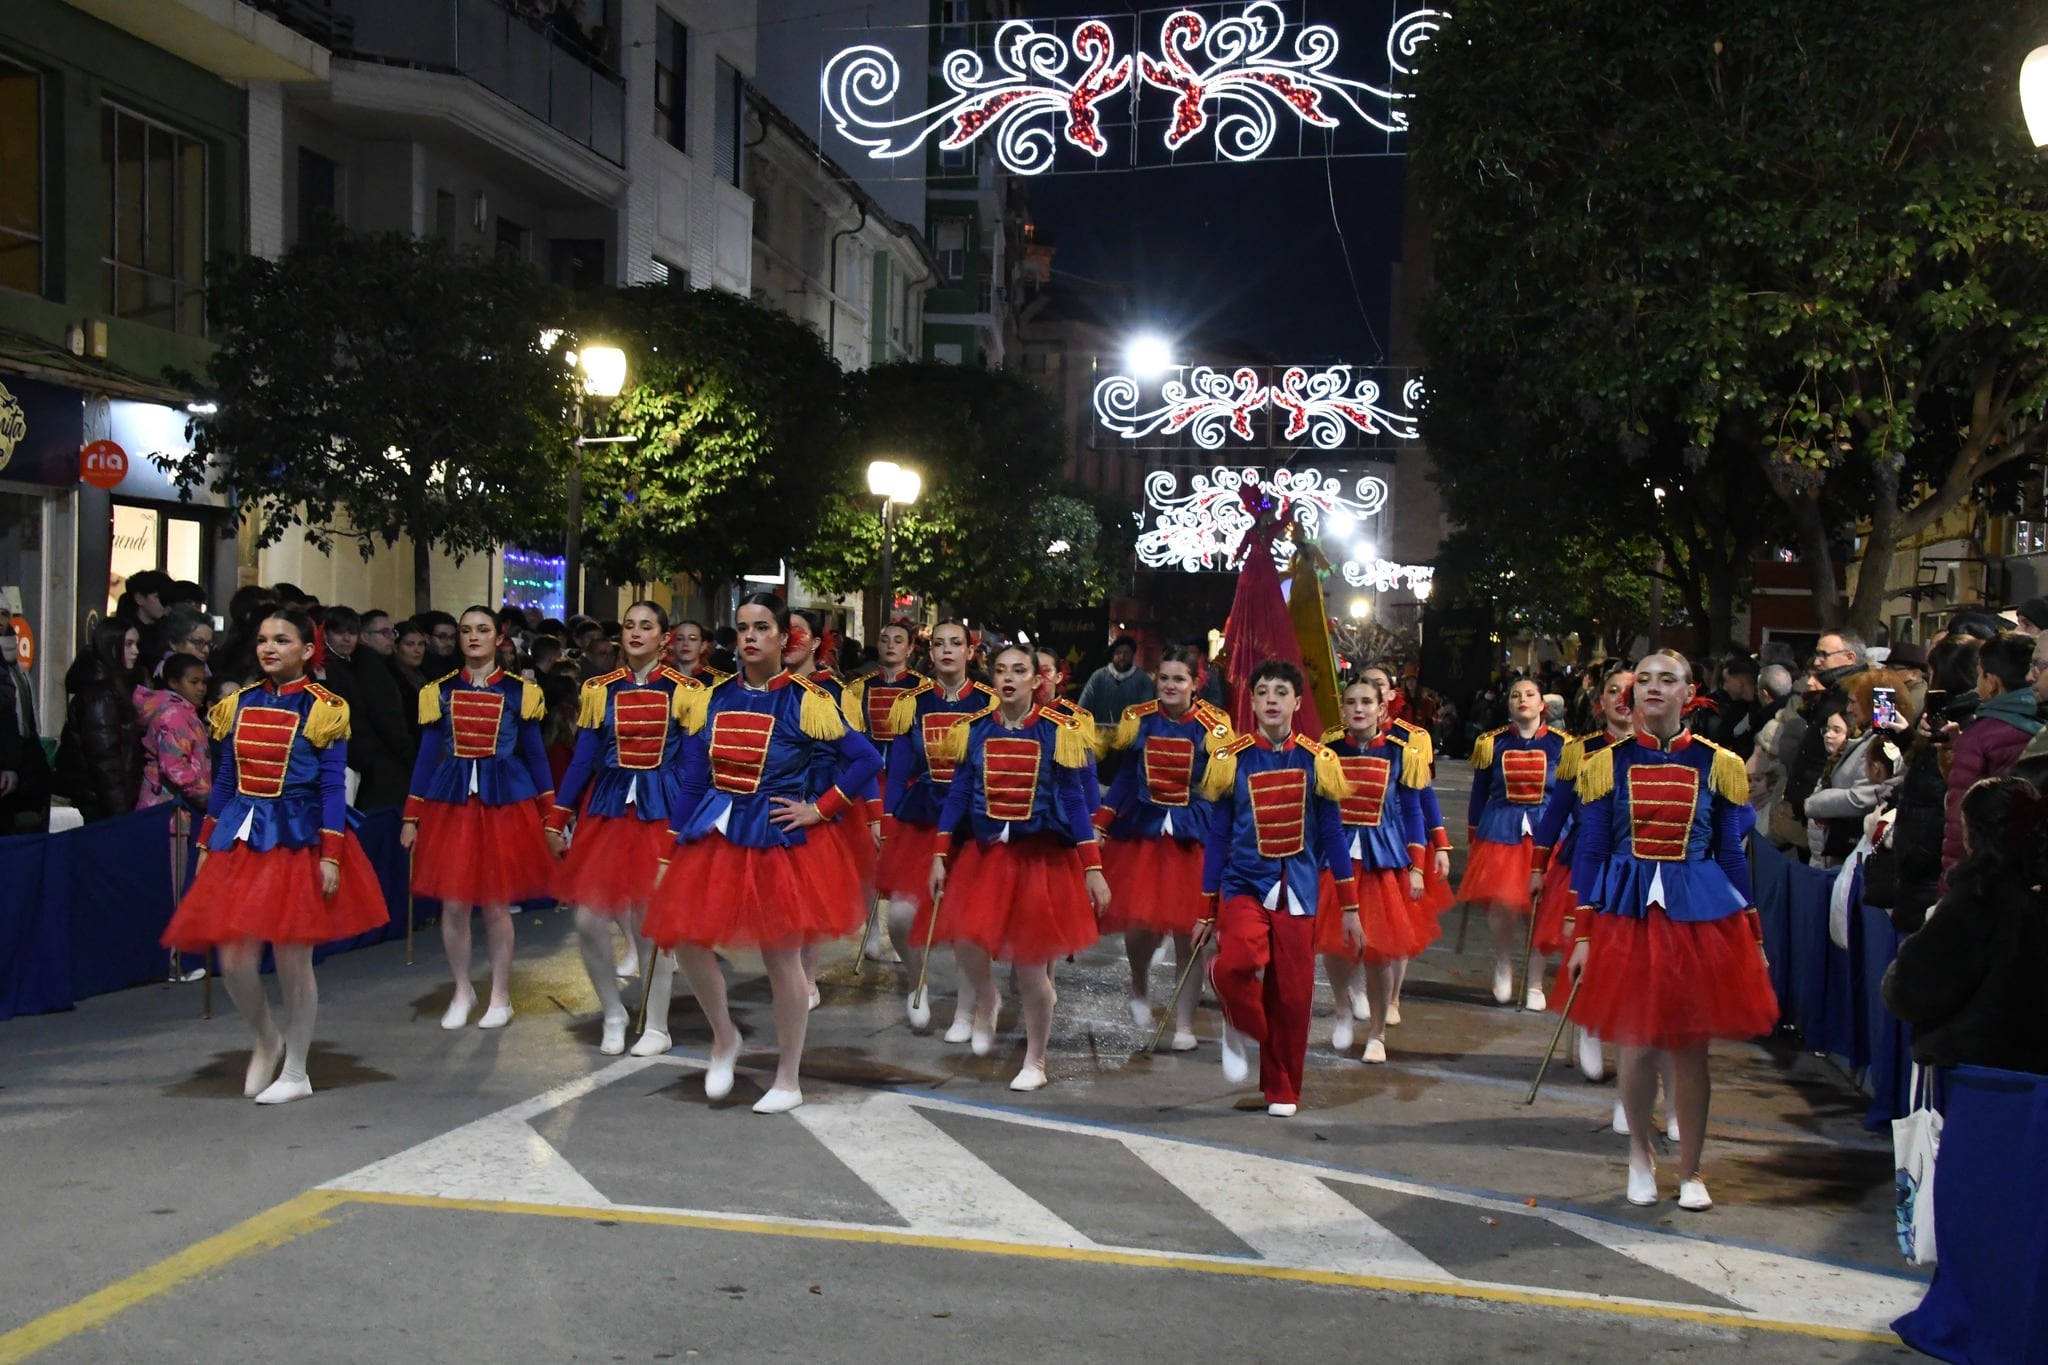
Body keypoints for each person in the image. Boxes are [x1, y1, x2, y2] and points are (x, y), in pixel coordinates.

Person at [643, 592, 883, 1114]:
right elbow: (691, 779)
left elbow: (865, 759)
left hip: (777, 842)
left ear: (783, 638)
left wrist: (821, 809)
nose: (749, 637)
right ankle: (724, 1036)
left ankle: (788, 1075)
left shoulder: (807, 699)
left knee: (782, 960)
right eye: (742, 627)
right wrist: (669, 850)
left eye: (761, 628)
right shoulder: (712, 697)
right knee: (683, 938)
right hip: (715, 833)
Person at [1564, 652, 1778, 1211]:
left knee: (1691, 1050)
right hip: (1627, 919)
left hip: (1697, 920)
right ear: (1631, 697)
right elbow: (1590, 852)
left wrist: (1752, 938)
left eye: (1668, 679)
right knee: (1635, 1046)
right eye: (1645, 680)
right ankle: (1639, 1156)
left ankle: (1692, 1171)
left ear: (1690, 694)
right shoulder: (1605, 764)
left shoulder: (1718, 764)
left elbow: (1731, 857)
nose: (1654, 687)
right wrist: (1582, 934)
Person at [158, 606, 388, 1104]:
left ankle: (298, 1071)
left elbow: (332, 787)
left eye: (282, 640)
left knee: (292, 957)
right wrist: (206, 841)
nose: (269, 648)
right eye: (264, 639)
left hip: (297, 837)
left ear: (306, 651)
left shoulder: (324, 706)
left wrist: (331, 854)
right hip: (242, 836)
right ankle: (266, 1037)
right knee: (235, 957)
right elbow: (223, 780)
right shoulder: (236, 704)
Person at [925, 642, 1110, 1092]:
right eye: (1001, 670)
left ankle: (1036, 1059)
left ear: (1035, 679)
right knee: (966, 939)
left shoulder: (1057, 731)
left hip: (1039, 861)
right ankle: (986, 998)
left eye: (1019, 670)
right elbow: (957, 796)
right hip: (987, 858)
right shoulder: (974, 731)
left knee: (1032, 969)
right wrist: (939, 853)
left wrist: (1093, 867)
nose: (1009, 678)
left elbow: (1073, 800)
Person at [546, 601, 705, 1056]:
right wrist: (558, 815)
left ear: (664, 637)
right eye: (630, 625)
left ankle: (657, 1024)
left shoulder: (686, 690)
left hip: (662, 810)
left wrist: (683, 827)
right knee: (587, 919)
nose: (636, 633)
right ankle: (614, 1011)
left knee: (652, 923)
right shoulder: (600, 689)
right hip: (610, 809)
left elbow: (695, 767)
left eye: (647, 626)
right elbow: (582, 759)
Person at [1199, 660, 1357, 1116]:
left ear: (1297, 702)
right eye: (1262, 691)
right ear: (1250, 702)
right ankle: (1240, 1017)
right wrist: (1206, 909)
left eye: (1281, 691)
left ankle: (1283, 1088)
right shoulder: (1231, 759)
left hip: (1299, 889)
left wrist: (1350, 905)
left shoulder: (1318, 760)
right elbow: (1219, 836)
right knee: (1237, 963)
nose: (1271, 699)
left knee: (1293, 995)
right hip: (1244, 882)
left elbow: (1332, 837)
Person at [401, 606, 557, 1032]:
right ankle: (460, 988)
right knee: (453, 904)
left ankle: (500, 995)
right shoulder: (440, 691)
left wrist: (551, 815)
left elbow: (537, 755)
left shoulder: (518, 692)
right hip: (452, 801)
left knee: (495, 904)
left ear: (498, 637)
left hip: (504, 802)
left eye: (482, 630)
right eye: (466, 631)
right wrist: (411, 815)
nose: (473, 637)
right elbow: (426, 756)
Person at [1099, 646, 1236, 1049]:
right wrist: (1102, 821)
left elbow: (1222, 787)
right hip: (1143, 834)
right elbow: (1125, 778)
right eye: (1164, 678)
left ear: (1196, 684)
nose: (1170, 685)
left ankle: (1185, 1025)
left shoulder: (1214, 727)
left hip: (1193, 837)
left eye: (1179, 679)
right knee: (1139, 928)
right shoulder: (1139, 719)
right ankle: (1138, 984)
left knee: (1190, 936)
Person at [1882, 775, 2048, 1075]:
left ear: (1973, 832)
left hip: (1975, 1075)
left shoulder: (1977, 899)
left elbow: (1912, 989)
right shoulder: (2029, 896)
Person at [877, 622, 995, 1037]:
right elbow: (898, 771)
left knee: (966, 922)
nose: (947, 650)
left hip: (973, 822)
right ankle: (917, 980)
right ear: (930, 653)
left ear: (970, 651)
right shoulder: (913, 703)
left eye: (956, 644)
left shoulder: (988, 704)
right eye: (939, 644)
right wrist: (887, 817)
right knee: (901, 918)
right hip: (923, 816)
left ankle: (966, 1011)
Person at [1314, 676, 1432, 1065]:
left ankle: (1377, 1033)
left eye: (1367, 701)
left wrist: (1417, 866)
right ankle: (1342, 1006)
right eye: (1351, 702)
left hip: (1383, 861)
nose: (1359, 709)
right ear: (1343, 709)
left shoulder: (1402, 753)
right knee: (1334, 944)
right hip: (1337, 858)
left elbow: (1413, 812)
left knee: (1380, 951)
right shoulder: (1327, 752)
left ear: (1383, 708)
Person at [1530, 660, 1634, 1084]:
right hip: (1585, 863)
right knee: (1589, 946)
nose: (1622, 701)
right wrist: (1538, 865)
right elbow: (1555, 813)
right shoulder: (1582, 750)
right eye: (1614, 691)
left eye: (1631, 692)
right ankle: (1589, 1025)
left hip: (1636, 870)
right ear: (1599, 703)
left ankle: (1622, 1034)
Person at [1454, 676, 1572, 1007]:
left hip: (1547, 832)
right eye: (1516, 695)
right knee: (1503, 906)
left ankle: (1535, 981)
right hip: (1501, 830)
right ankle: (1503, 963)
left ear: (1541, 704)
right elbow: (1479, 795)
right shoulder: (1491, 743)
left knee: (1544, 909)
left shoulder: (1563, 745)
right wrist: (1473, 834)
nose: (1522, 699)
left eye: (1530, 694)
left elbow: (1568, 796)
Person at [843, 619, 928, 961]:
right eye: (884, 639)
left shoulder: (924, 690)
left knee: (904, 857)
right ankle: (873, 933)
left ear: (910, 648)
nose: (890, 645)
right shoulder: (858, 689)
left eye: (898, 640)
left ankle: (905, 931)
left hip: (907, 781)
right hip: (870, 780)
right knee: (867, 859)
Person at [1942, 631, 2040, 879]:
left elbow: (1959, 821)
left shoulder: (1979, 736)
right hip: (2033, 867)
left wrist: (1951, 885)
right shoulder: (2041, 723)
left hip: (1986, 874)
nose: (1976, 684)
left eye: (1979, 675)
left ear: (1992, 681)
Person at [321, 606, 413, 809]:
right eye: (339, 632)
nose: (346, 639)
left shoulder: (357, 662)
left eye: (351, 632)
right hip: (347, 756)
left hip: (362, 758)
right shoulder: (330, 667)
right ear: (325, 634)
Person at [53, 618, 143, 823]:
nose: (135, 651)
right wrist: (120, 812)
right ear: (111, 645)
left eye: (136, 644)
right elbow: (104, 757)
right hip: (98, 801)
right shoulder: (101, 694)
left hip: (101, 799)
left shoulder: (111, 686)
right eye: (128, 644)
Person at [1785, 631, 1870, 823]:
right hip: (1813, 801)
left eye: (1824, 655)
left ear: (1850, 657)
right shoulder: (1832, 690)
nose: (1817, 662)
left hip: (1831, 808)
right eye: (1817, 654)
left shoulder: (1862, 690)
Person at [134, 653, 212, 811]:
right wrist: (203, 796)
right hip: (168, 810)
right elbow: (174, 766)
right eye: (194, 682)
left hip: (181, 807)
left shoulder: (186, 713)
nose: (201, 688)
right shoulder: (172, 715)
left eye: (204, 682)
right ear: (174, 682)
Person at [0, 613, 51, 834]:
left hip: (22, 762)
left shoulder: (16, 669)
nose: (1, 620)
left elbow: (22, 718)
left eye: (3, 614)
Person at [1078, 635, 1156, 726]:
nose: (1122, 657)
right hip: (1100, 735)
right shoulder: (1098, 677)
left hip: (1134, 737)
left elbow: (1149, 714)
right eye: (1118, 653)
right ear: (1113, 655)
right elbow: (1082, 709)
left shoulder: (1143, 680)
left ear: (1133, 655)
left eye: (1127, 653)